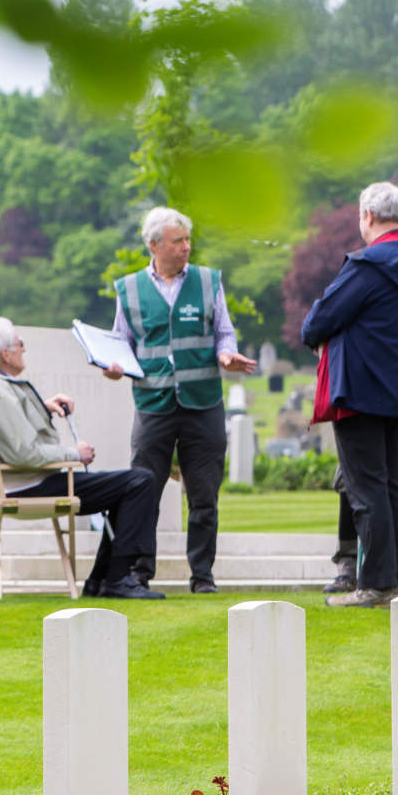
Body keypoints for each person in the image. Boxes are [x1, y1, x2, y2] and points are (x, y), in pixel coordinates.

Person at [103, 206, 258, 593]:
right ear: (154, 245)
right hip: (152, 404)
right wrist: (114, 365)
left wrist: (226, 354)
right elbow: (121, 342)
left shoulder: (208, 281)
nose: (186, 247)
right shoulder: (129, 289)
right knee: (144, 491)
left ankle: (202, 576)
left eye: (188, 240)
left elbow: (224, 330)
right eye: (178, 241)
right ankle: (140, 573)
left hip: (203, 403)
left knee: (204, 496)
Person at [0, 318, 164, 600]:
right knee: (141, 480)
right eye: (19, 344)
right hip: (31, 484)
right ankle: (117, 578)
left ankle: (101, 580)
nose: (23, 349)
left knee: (126, 487)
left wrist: (43, 408)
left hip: (14, 482)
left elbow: (10, 430)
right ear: (5, 354)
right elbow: (25, 453)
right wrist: (75, 454)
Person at [301, 180, 398, 607]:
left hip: (362, 393)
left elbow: (318, 321)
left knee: (367, 491)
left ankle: (377, 584)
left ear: (367, 217)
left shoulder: (366, 267)